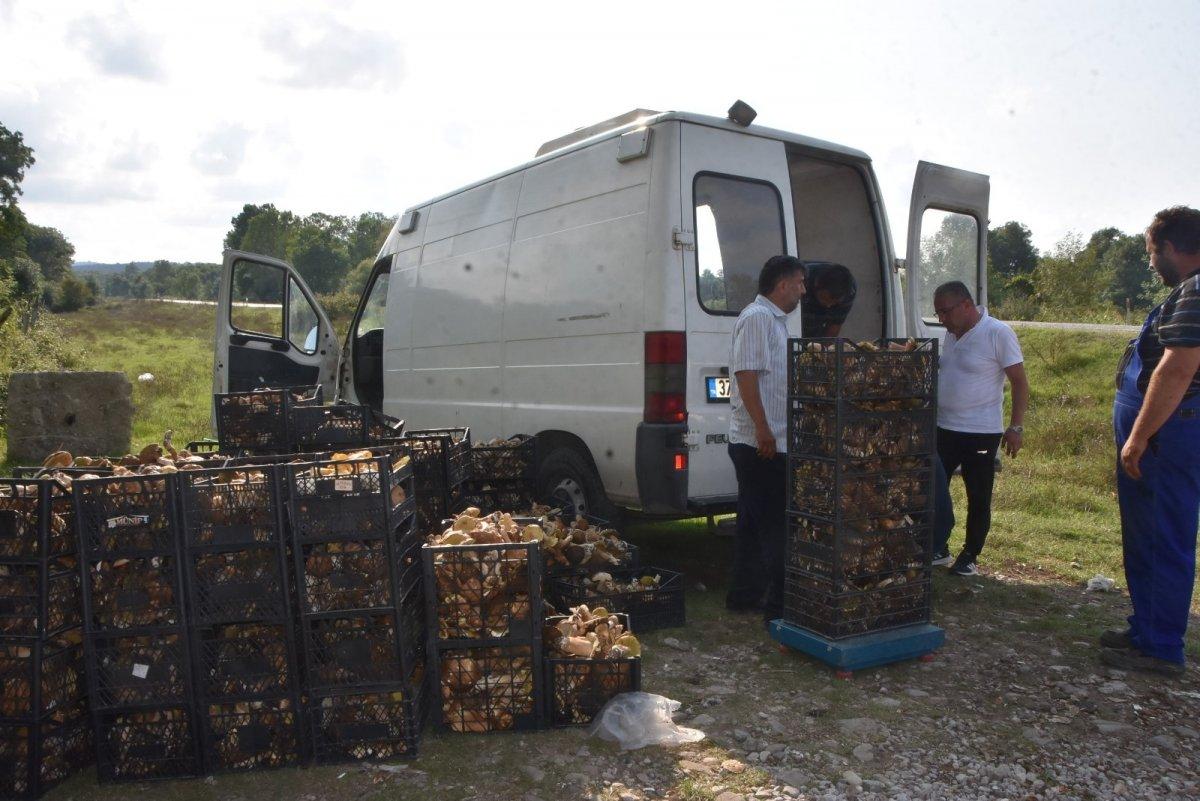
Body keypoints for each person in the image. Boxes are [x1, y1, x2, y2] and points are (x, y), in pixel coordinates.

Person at [1104, 205, 1200, 677]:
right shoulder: (1187, 291)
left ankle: (1161, 644)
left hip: (1169, 433)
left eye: (1151, 252)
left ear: (1171, 247)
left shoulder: (1196, 290)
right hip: (1166, 431)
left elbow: (1177, 368)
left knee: (1163, 537)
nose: (1150, 262)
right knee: (1146, 535)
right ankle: (1145, 628)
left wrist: (1139, 436)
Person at [726, 255, 807, 624]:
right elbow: (746, 375)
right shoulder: (758, 318)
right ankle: (778, 607)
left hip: (766, 440)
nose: (803, 291)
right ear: (782, 284)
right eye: (799, 283)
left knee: (751, 524)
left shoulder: (775, 322)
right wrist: (763, 429)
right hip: (760, 443)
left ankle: (743, 596)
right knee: (775, 526)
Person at [933, 281, 1029, 575]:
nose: (942, 319)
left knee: (978, 494)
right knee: (934, 488)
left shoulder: (998, 333)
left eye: (946, 312)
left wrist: (1016, 427)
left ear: (966, 305)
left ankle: (970, 555)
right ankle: (938, 546)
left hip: (980, 432)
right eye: (938, 313)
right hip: (943, 427)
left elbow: (1020, 382)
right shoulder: (952, 334)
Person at [799, 262, 857, 338]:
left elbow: (835, 325)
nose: (828, 305)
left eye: (835, 303)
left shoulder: (848, 292)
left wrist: (825, 345)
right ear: (817, 283)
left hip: (815, 327)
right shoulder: (801, 277)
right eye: (824, 298)